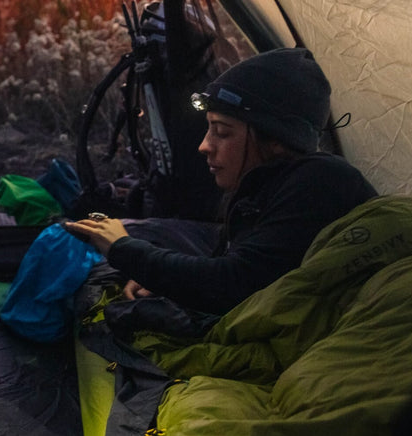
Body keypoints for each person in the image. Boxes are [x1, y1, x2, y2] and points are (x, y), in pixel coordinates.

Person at [66, 47, 378, 316]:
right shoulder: (263, 187)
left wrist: (124, 248)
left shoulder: (321, 182)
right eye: (209, 129)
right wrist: (163, 279)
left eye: (223, 131)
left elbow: (233, 284)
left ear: (277, 140)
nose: (204, 146)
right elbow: (236, 265)